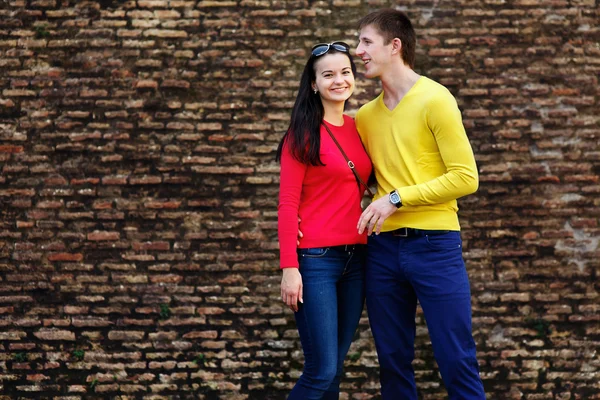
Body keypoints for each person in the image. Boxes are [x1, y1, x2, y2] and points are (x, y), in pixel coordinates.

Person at [353, 9, 486, 400]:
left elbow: (466, 178)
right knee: (392, 361)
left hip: (435, 246)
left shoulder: (435, 98)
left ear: (394, 46)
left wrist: (397, 197)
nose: (358, 51)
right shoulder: (365, 117)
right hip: (382, 251)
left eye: (365, 42)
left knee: (455, 358)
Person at [276, 41, 373, 399]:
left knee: (334, 372)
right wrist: (290, 267)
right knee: (321, 369)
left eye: (345, 71)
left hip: (358, 260)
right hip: (315, 261)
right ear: (314, 84)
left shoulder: (361, 127)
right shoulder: (301, 135)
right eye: (328, 74)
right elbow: (287, 204)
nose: (339, 80)